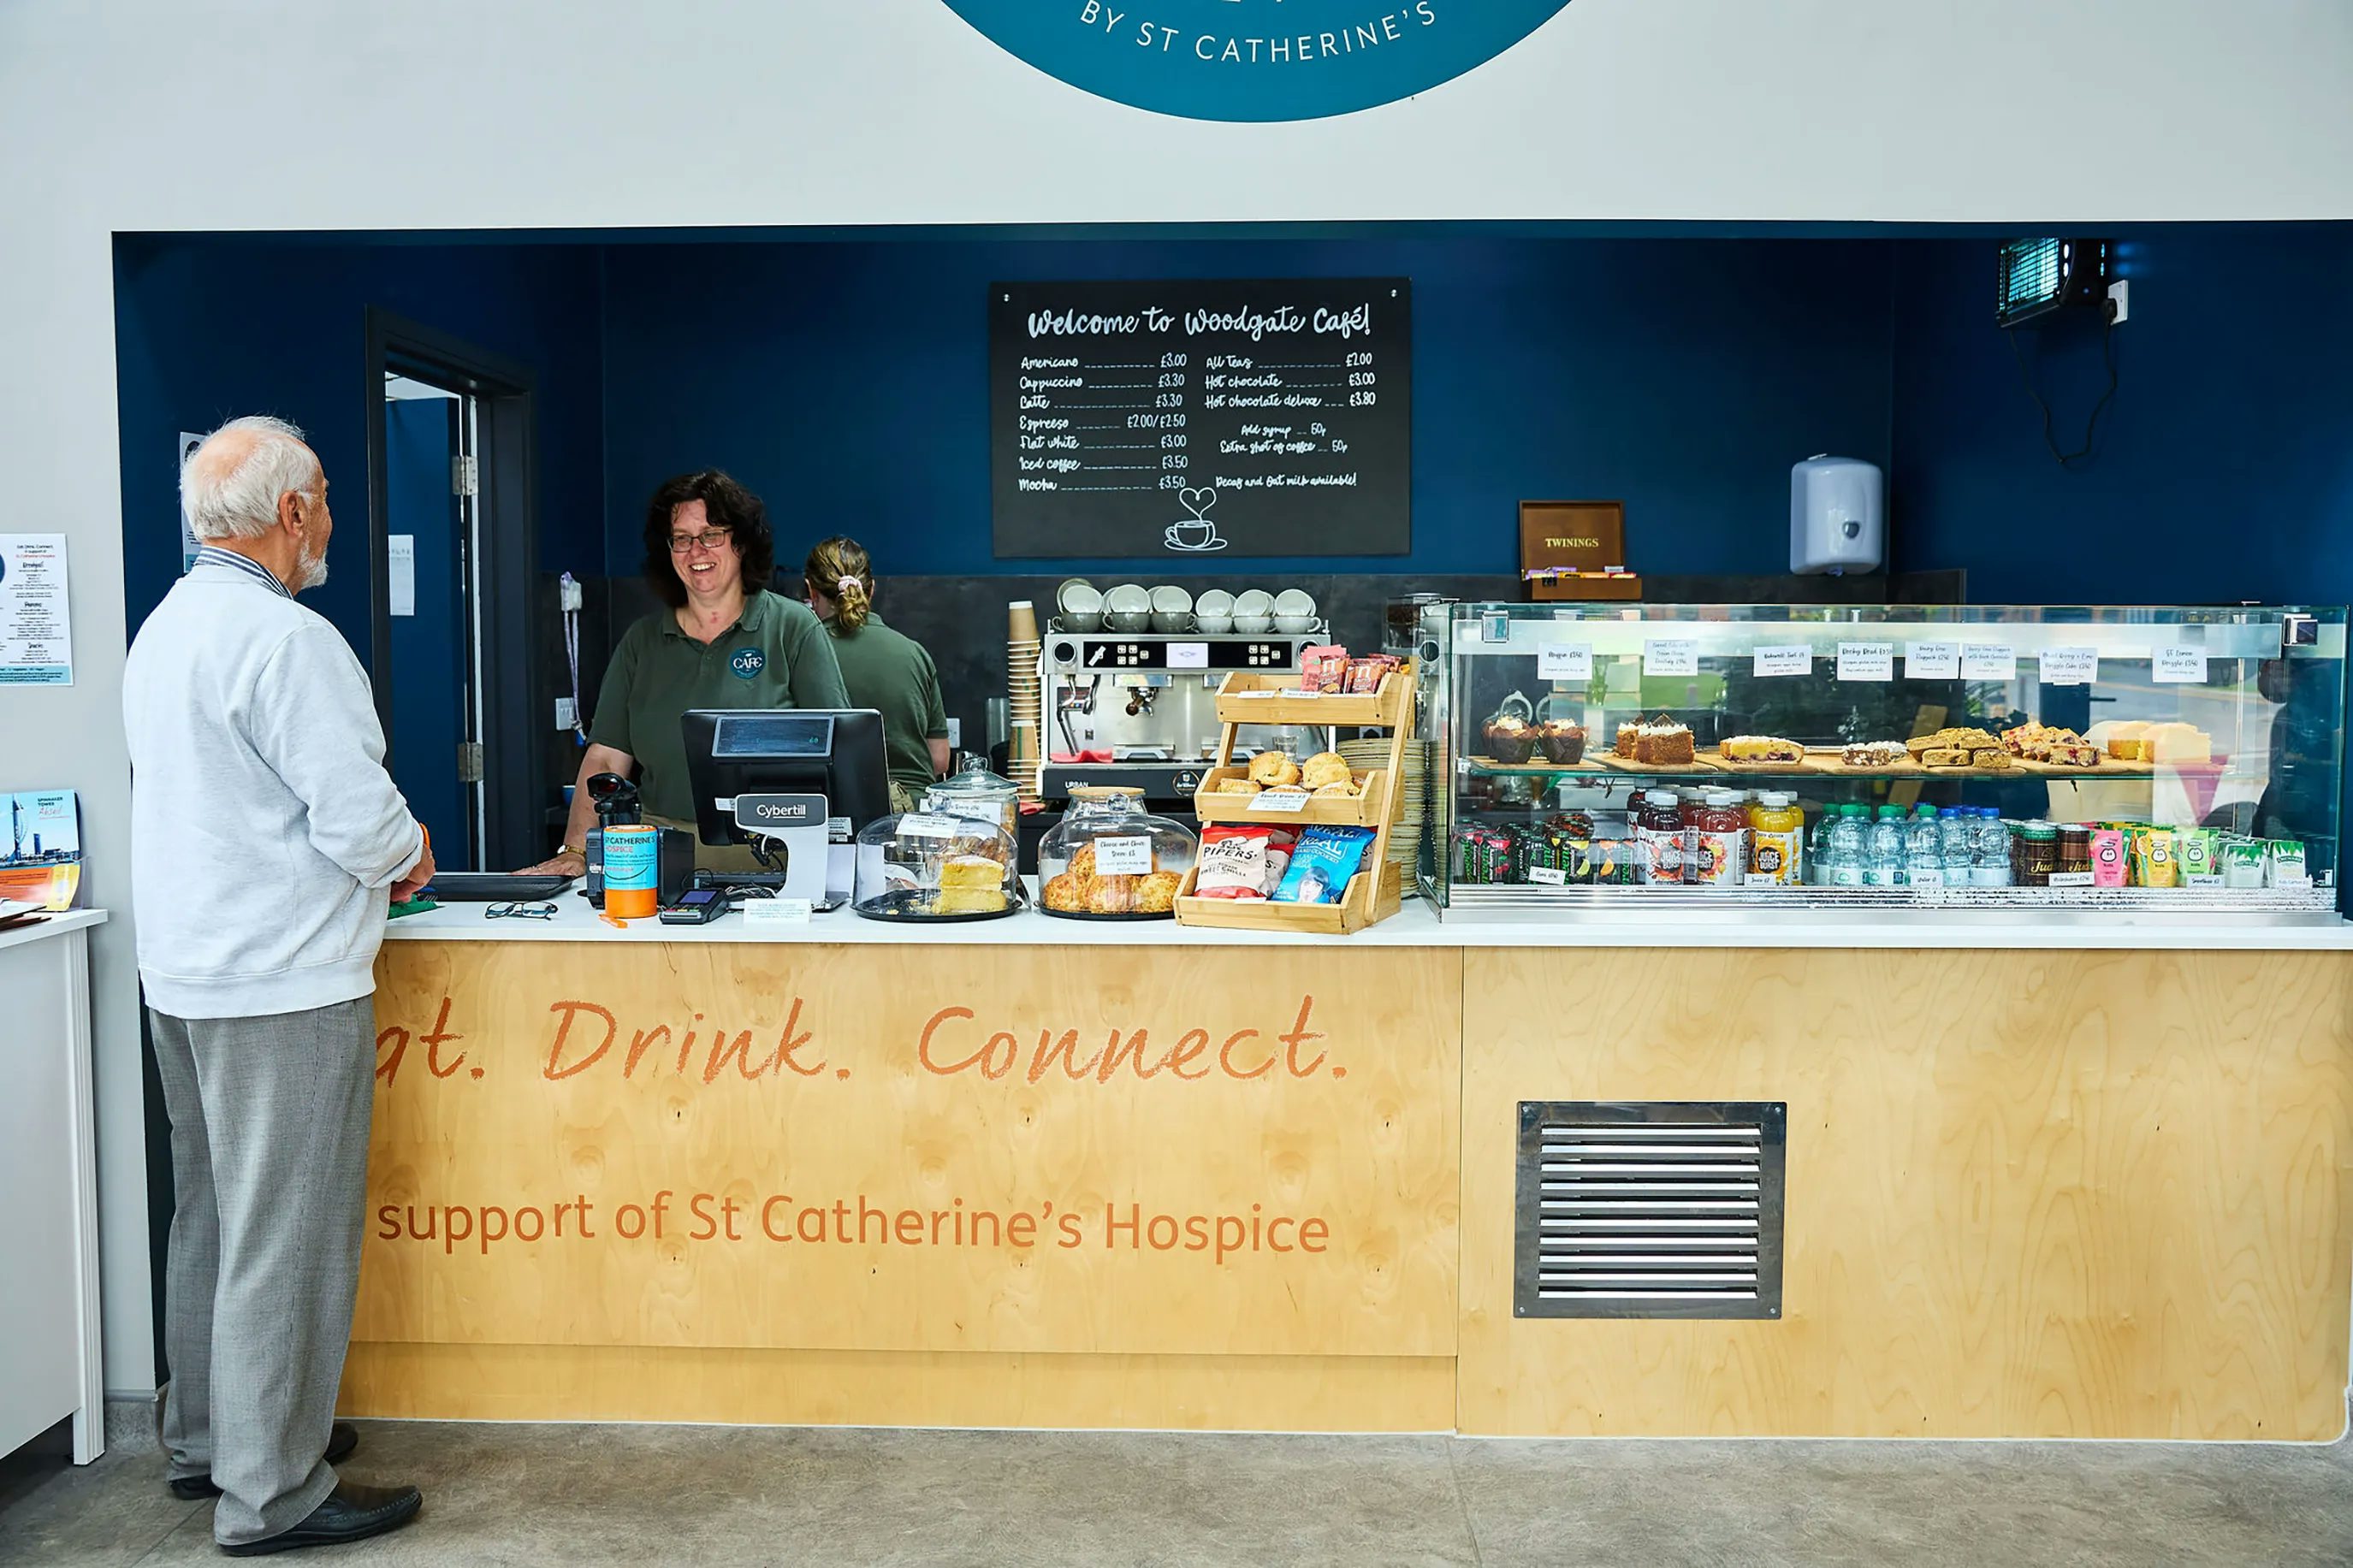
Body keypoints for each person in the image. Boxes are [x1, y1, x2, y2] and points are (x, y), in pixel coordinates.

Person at [123, 416, 430, 1555]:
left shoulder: (164, 628)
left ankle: (212, 1438)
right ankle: (274, 1490)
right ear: (290, 514)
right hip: (282, 983)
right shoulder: (286, 641)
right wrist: (409, 849)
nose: (333, 527)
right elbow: (355, 815)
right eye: (328, 505)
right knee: (284, 1233)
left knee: (210, 1213)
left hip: (186, 974)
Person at [528, 470, 851, 876]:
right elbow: (607, 757)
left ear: (742, 543)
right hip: (660, 862)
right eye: (681, 538)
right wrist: (576, 851)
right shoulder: (641, 642)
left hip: (777, 862)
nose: (695, 550)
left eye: (711, 533)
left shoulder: (793, 629)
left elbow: (839, 749)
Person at [805, 535, 951, 813]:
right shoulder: (913, 653)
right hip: (910, 817)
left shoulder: (802, 651)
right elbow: (939, 758)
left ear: (812, 592)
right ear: (871, 591)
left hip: (829, 813)